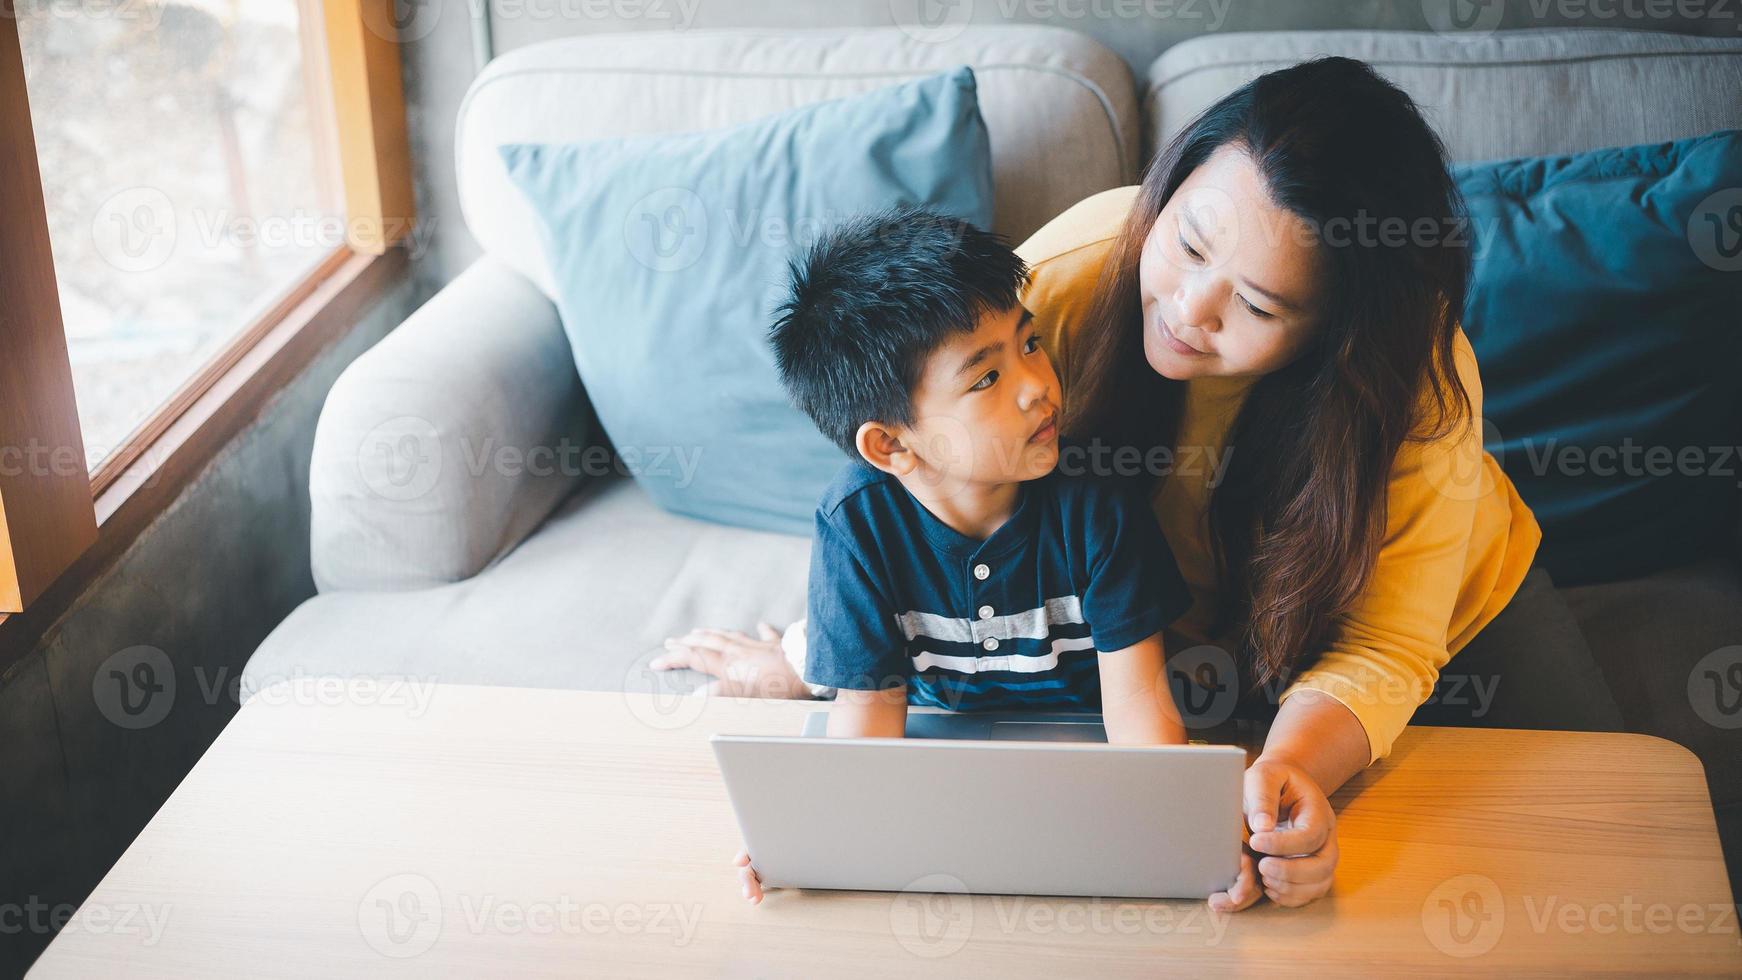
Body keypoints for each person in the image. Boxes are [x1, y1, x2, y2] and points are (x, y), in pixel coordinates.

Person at [658, 57, 1623, 912]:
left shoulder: (1406, 379)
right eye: (1190, 243)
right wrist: (819, 653)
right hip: (1187, 627)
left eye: (1254, 304)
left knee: (1610, 828)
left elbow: (1384, 643)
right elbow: (925, 463)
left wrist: (1288, 770)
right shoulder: (1065, 284)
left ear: (1337, 328)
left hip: (1423, 608)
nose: (1189, 312)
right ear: (1172, 184)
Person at [717, 206, 1197, 903]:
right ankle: (794, 657)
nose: (1037, 385)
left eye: (1028, 345)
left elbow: (1140, 712)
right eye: (985, 380)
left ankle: (796, 654)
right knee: (825, 680)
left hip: (1074, 736)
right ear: (891, 446)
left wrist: (1178, 839)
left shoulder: (1098, 504)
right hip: (946, 729)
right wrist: (818, 840)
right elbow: (872, 714)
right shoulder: (855, 522)